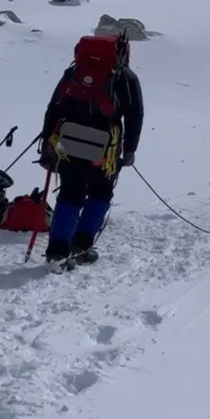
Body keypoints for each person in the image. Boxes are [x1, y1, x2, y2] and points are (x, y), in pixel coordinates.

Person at [39, 33, 143, 269]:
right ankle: (81, 246)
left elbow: (53, 107)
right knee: (100, 194)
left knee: (69, 194)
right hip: (105, 151)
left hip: (68, 145)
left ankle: (57, 252)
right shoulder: (126, 77)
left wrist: (47, 143)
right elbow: (135, 116)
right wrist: (129, 150)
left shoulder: (74, 72)